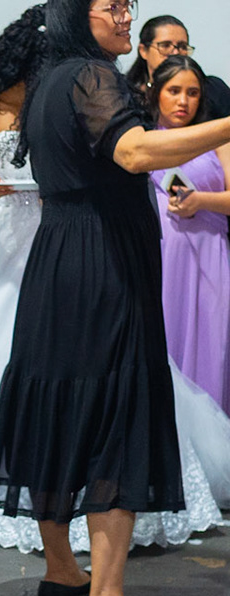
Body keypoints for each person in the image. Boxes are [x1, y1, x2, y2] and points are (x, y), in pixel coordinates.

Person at [0, 0, 230, 596]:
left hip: (59, 258)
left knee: (60, 406)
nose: (125, 16)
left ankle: (62, 568)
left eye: (127, 6)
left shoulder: (47, 80)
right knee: (117, 416)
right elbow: (136, 151)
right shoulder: (92, 75)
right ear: (76, 14)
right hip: (105, 263)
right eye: (112, 6)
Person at [149, 55, 230, 414]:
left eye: (192, 92)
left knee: (213, 340)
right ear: (157, 93)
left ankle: (211, 434)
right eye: (174, 91)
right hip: (161, 257)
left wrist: (201, 200)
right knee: (166, 337)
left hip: (210, 252)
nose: (183, 101)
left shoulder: (218, 139)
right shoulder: (143, 141)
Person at [127, 15, 230, 122]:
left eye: (182, 46)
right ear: (143, 51)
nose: (175, 53)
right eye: (165, 45)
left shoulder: (212, 88)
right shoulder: (128, 96)